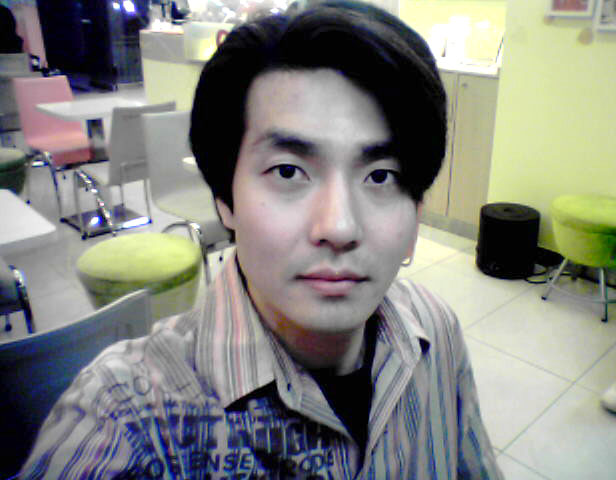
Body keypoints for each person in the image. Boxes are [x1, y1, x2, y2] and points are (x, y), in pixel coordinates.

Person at [20, 1, 503, 478]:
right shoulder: (126, 421)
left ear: (416, 212)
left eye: (380, 176)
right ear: (224, 198)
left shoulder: (435, 332)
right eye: (288, 171)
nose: (339, 227)